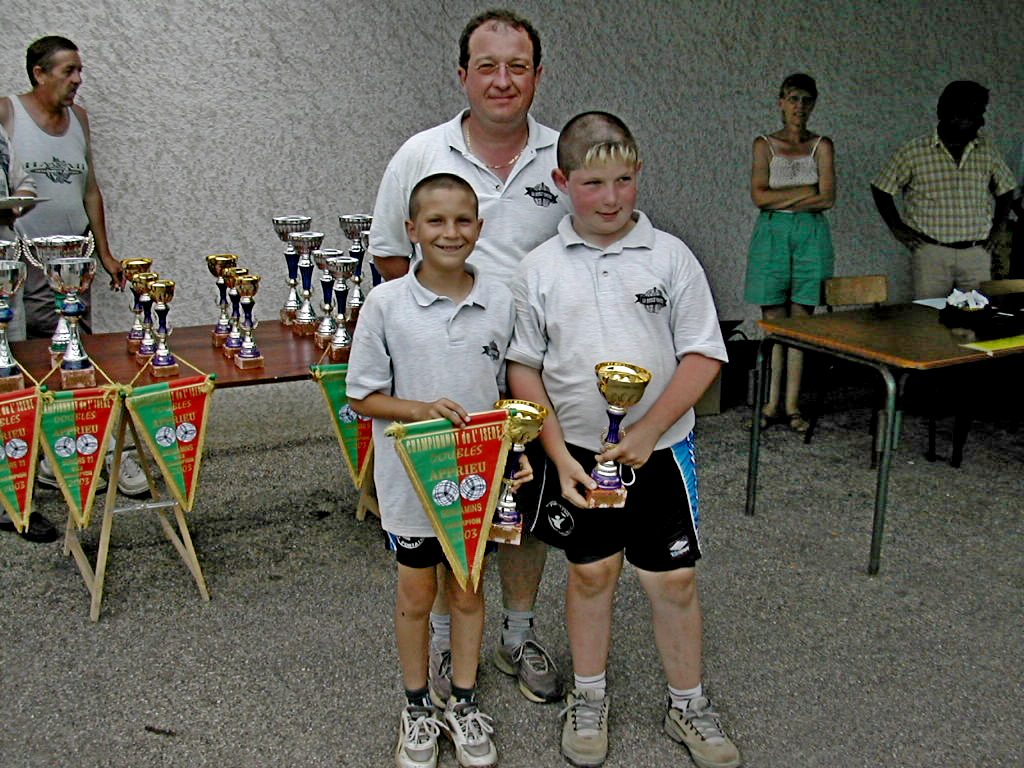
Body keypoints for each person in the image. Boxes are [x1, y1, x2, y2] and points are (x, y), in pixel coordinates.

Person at [508, 112, 741, 768]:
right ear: (562, 182)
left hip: (662, 451)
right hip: (578, 452)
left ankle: (687, 705)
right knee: (590, 574)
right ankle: (589, 697)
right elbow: (524, 366)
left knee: (674, 582)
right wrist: (554, 451)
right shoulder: (538, 269)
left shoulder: (671, 257)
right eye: (591, 183)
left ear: (638, 176)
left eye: (623, 180)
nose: (610, 198)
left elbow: (702, 355)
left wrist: (647, 430)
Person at [368, 9, 568, 707]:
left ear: (538, 76)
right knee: (448, 510)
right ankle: (455, 646)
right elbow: (391, 263)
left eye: (518, 66)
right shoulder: (420, 154)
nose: (503, 80)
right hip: (447, 380)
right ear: (463, 75)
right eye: (488, 66)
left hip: (532, 377)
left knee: (519, 510)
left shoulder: (562, 159)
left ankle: (515, 635)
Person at [349, 173, 529, 768]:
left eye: (462, 220)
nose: (450, 232)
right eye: (435, 221)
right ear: (411, 231)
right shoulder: (385, 304)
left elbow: (511, 394)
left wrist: (517, 455)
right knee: (416, 595)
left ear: (479, 228)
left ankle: (465, 701)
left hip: (478, 485)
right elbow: (363, 397)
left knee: (471, 592)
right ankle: (418, 706)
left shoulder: (501, 300)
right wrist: (420, 411)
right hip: (409, 488)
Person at [0, 36, 148, 510]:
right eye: (68, 71)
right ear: (39, 74)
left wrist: (105, 254)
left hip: (74, 264)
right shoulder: (8, 114)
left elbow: (90, 191)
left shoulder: (79, 121)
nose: (78, 80)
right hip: (26, 263)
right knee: (40, 355)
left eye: (79, 70)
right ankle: (52, 453)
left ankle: (82, 448)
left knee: (74, 355)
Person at [743, 73, 835, 435]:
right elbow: (759, 197)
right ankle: (770, 401)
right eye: (793, 99)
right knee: (774, 319)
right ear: (781, 101)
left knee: (800, 319)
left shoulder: (821, 145)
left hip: (810, 233)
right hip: (772, 231)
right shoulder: (764, 144)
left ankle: (793, 403)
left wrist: (786, 194)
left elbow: (827, 197)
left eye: (806, 100)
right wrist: (806, 189)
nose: (799, 107)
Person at [871, 80, 1016, 299]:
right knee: (929, 318)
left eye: (981, 112)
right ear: (949, 114)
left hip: (976, 252)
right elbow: (881, 188)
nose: (981, 121)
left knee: (974, 321)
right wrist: (897, 227)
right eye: (973, 114)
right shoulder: (914, 151)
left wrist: (999, 226)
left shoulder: (986, 150)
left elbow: (1006, 189)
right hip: (931, 252)